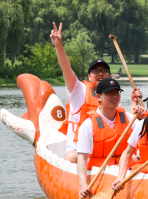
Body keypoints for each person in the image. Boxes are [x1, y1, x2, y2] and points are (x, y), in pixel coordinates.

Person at [49, 22, 138, 164]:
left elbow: (126, 122)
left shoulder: (113, 96)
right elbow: (66, 69)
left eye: (104, 71)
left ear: (109, 76)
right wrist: (59, 46)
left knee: (133, 157)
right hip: (80, 149)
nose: (100, 73)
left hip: (108, 150)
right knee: (72, 157)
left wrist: (134, 102)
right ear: (89, 76)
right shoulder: (79, 90)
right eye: (96, 71)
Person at [74, 79, 146, 199]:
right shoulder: (88, 124)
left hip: (125, 169)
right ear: (98, 97)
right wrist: (83, 185)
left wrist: (143, 117)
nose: (115, 96)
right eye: (109, 93)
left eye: (117, 92)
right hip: (100, 171)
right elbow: (82, 158)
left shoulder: (129, 118)